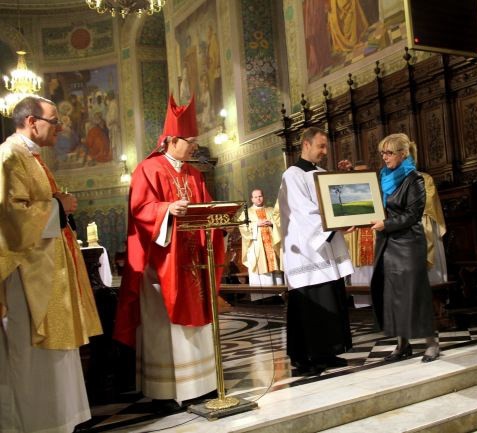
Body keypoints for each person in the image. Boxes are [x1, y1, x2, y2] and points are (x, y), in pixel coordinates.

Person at [113, 95, 227, 411]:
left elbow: (205, 208)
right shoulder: (147, 169)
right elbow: (140, 210)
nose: (194, 147)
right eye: (190, 141)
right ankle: (165, 390)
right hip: (160, 265)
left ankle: (201, 384)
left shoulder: (193, 174)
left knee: (198, 323)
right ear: (172, 140)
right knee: (166, 327)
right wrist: (166, 209)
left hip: (192, 262)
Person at [0, 95, 102, 432]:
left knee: (56, 352)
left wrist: (59, 206)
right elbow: (11, 216)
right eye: (54, 121)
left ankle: (62, 418)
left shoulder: (32, 157)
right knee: (32, 354)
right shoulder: (9, 155)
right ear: (31, 121)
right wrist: (59, 207)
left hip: (48, 270)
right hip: (27, 276)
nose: (60, 127)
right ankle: (39, 423)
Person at [278, 126, 354, 374]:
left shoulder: (322, 173)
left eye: (325, 146)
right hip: (306, 251)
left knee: (331, 299)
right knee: (311, 304)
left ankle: (328, 352)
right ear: (306, 144)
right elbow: (303, 211)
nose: (324, 151)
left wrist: (346, 181)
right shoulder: (293, 174)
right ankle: (306, 357)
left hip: (324, 247)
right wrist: (334, 225)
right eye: (320, 146)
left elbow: (336, 203)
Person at [370, 133, 439, 363]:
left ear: (403, 153)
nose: (384, 157)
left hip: (409, 243)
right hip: (388, 243)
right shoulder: (383, 177)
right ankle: (402, 344)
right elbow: (375, 207)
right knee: (394, 295)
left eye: (389, 153)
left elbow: (413, 215)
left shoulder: (414, 179)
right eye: (382, 153)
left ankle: (431, 342)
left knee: (415, 292)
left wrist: (385, 224)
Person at [341, 160, 374, 307]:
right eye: (357, 173)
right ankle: (363, 303)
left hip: (374, 231)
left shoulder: (374, 187)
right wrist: (347, 174)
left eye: (363, 172)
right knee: (359, 268)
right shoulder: (352, 192)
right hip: (356, 234)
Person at [238, 188, 283, 292]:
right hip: (257, 247)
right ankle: (262, 296)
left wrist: (272, 224)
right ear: (252, 199)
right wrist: (256, 225)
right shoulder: (246, 213)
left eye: (260, 196)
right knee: (260, 269)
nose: (258, 199)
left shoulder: (271, 210)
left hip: (272, 246)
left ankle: (279, 294)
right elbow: (242, 227)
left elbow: (280, 224)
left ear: (263, 197)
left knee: (275, 268)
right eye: (255, 197)